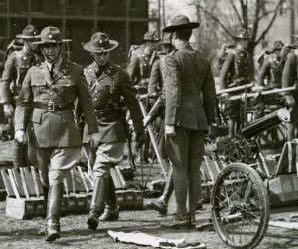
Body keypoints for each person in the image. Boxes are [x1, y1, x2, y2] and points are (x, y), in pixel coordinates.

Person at [14, 27, 98, 241]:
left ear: (61, 47)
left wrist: (93, 130)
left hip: (65, 129)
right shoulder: (33, 71)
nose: (50, 50)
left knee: (56, 175)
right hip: (39, 129)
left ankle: (53, 222)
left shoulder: (75, 71)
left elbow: (87, 103)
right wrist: (19, 128)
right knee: (45, 177)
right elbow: (23, 103)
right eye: (46, 46)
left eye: (54, 46)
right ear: (41, 48)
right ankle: (48, 219)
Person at [82, 32, 145, 229]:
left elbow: (133, 104)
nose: (102, 57)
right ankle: (112, 207)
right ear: (92, 54)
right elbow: (79, 103)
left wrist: (140, 131)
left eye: (105, 53)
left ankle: (94, 211)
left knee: (100, 168)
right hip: (91, 128)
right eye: (98, 53)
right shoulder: (85, 73)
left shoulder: (120, 75)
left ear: (109, 53)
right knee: (98, 169)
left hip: (112, 127)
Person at [161, 14, 218, 229]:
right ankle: (193, 216)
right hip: (199, 119)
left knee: (179, 167)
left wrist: (169, 122)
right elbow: (210, 95)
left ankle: (181, 216)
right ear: (190, 34)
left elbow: (173, 91)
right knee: (194, 168)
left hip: (179, 119)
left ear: (174, 35)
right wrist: (209, 121)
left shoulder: (172, 59)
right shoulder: (203, 59)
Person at [0, 25, 40, 168]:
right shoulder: (14, 57)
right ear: (25, 41)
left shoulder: (38, 59)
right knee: (18, 137)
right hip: (18, 103)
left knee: (33, 137)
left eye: (36, 40)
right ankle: (17, 169)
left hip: (35, 102)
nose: (35, 43)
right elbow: (5, 81)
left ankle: (30, 168)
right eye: (32, 40)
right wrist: (6, 104)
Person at [144, 35, 175, 216]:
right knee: (174, 157)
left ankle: (169, 199)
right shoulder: (161, 63)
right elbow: (152, 90)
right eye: (165, 47)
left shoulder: (165, 63)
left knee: (168, 156)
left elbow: (160, 94)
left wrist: (150, 115)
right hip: (168, 114)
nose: (167, 50)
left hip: (166, 115)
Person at [219, 28, 253, 135]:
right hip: (233, 90)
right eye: (243, 40)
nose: (245, 42)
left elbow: (249, 73)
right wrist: (224, 91)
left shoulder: (248, 55)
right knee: (232, 118)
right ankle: (231, 140)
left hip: (245, 90)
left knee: (244, 117)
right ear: (238, 41)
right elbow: (223, 74)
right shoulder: (232, 54)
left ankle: (240, 141)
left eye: (246, 40)